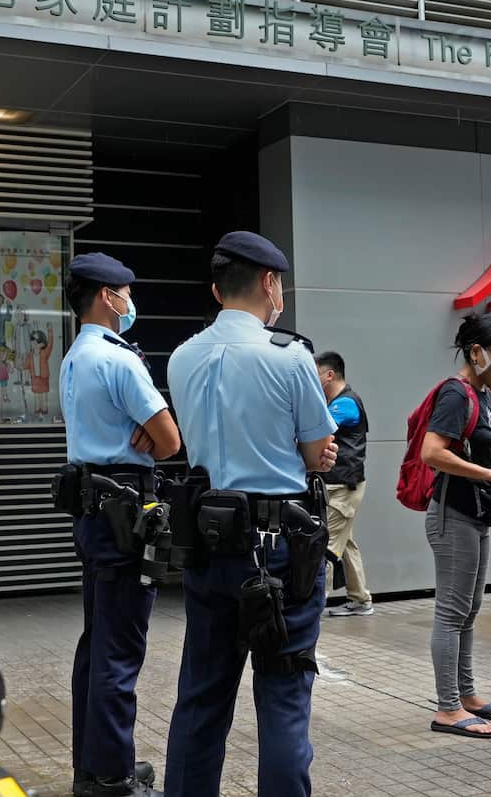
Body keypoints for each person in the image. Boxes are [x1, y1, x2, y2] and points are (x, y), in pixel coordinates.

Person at [163, 231, 337, 797]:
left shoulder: (183, 356)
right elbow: (317, 454)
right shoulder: (291, 358)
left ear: (217, 290)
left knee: (202, 696)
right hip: (278, 548)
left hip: (209, 542)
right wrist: (308, 449)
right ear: (269, 284)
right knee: (284, 696)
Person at [59, 252, 181, 797]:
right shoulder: (119, 359)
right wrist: (150, 433)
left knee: (98, 642)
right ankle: (113, 778)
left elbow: (152, 433)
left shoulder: (74, 358)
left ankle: (94, 765)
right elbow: (170, 440)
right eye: (126, 292)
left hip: (93, 511)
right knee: (119, 649)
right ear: (108, 296)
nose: (131, 301)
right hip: (126, 510)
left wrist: (147, 432)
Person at [419, 313, 491, 738]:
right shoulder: (456, 395)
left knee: (469, 611)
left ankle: (466, 693)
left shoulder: (490, 395)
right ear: (475, 352)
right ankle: (447, 708)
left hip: (477, 517)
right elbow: (431, 452)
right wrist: (486, 475)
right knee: (451, 612)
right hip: (452, 516)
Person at [314, 351, 373, 617]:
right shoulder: (335, 402)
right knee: (345, 542)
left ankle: (311, 609)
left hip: (342, 486)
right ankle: (360, 600)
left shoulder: (345, 404)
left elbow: (318, 431)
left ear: (329, 375)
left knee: (323, 547)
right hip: (338, 485)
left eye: (315, 373)